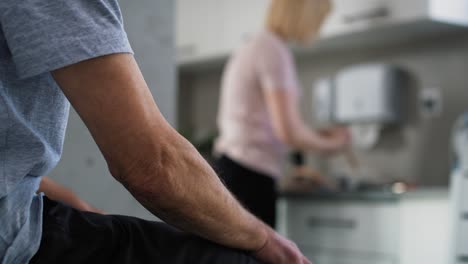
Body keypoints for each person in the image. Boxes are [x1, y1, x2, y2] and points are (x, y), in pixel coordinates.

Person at [0, 1, 311, 263]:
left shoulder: (252, 46)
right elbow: (150, 166)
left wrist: (69, 200)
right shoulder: (272, 51)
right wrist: (264, 239)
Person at [213, 0, 350, 228]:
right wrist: (335, 144)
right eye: (319, 19)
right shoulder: (272, 49)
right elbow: (288, 131)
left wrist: (315, 135)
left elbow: (274, 126)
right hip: (248, 178)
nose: (318, 28)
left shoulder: (256, 45)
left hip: (236, 170)